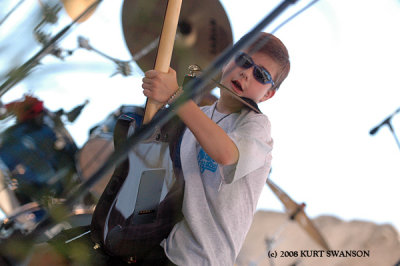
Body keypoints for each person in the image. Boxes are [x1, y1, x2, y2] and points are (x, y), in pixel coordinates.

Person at [141, 32, 290, 265]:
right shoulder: (196, 116)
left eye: (260, 75)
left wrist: (175, 96)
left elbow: (226, 154)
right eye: (243, 61)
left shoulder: (257, 126)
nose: (246, 73)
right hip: (166, 247)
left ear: (268, 94)